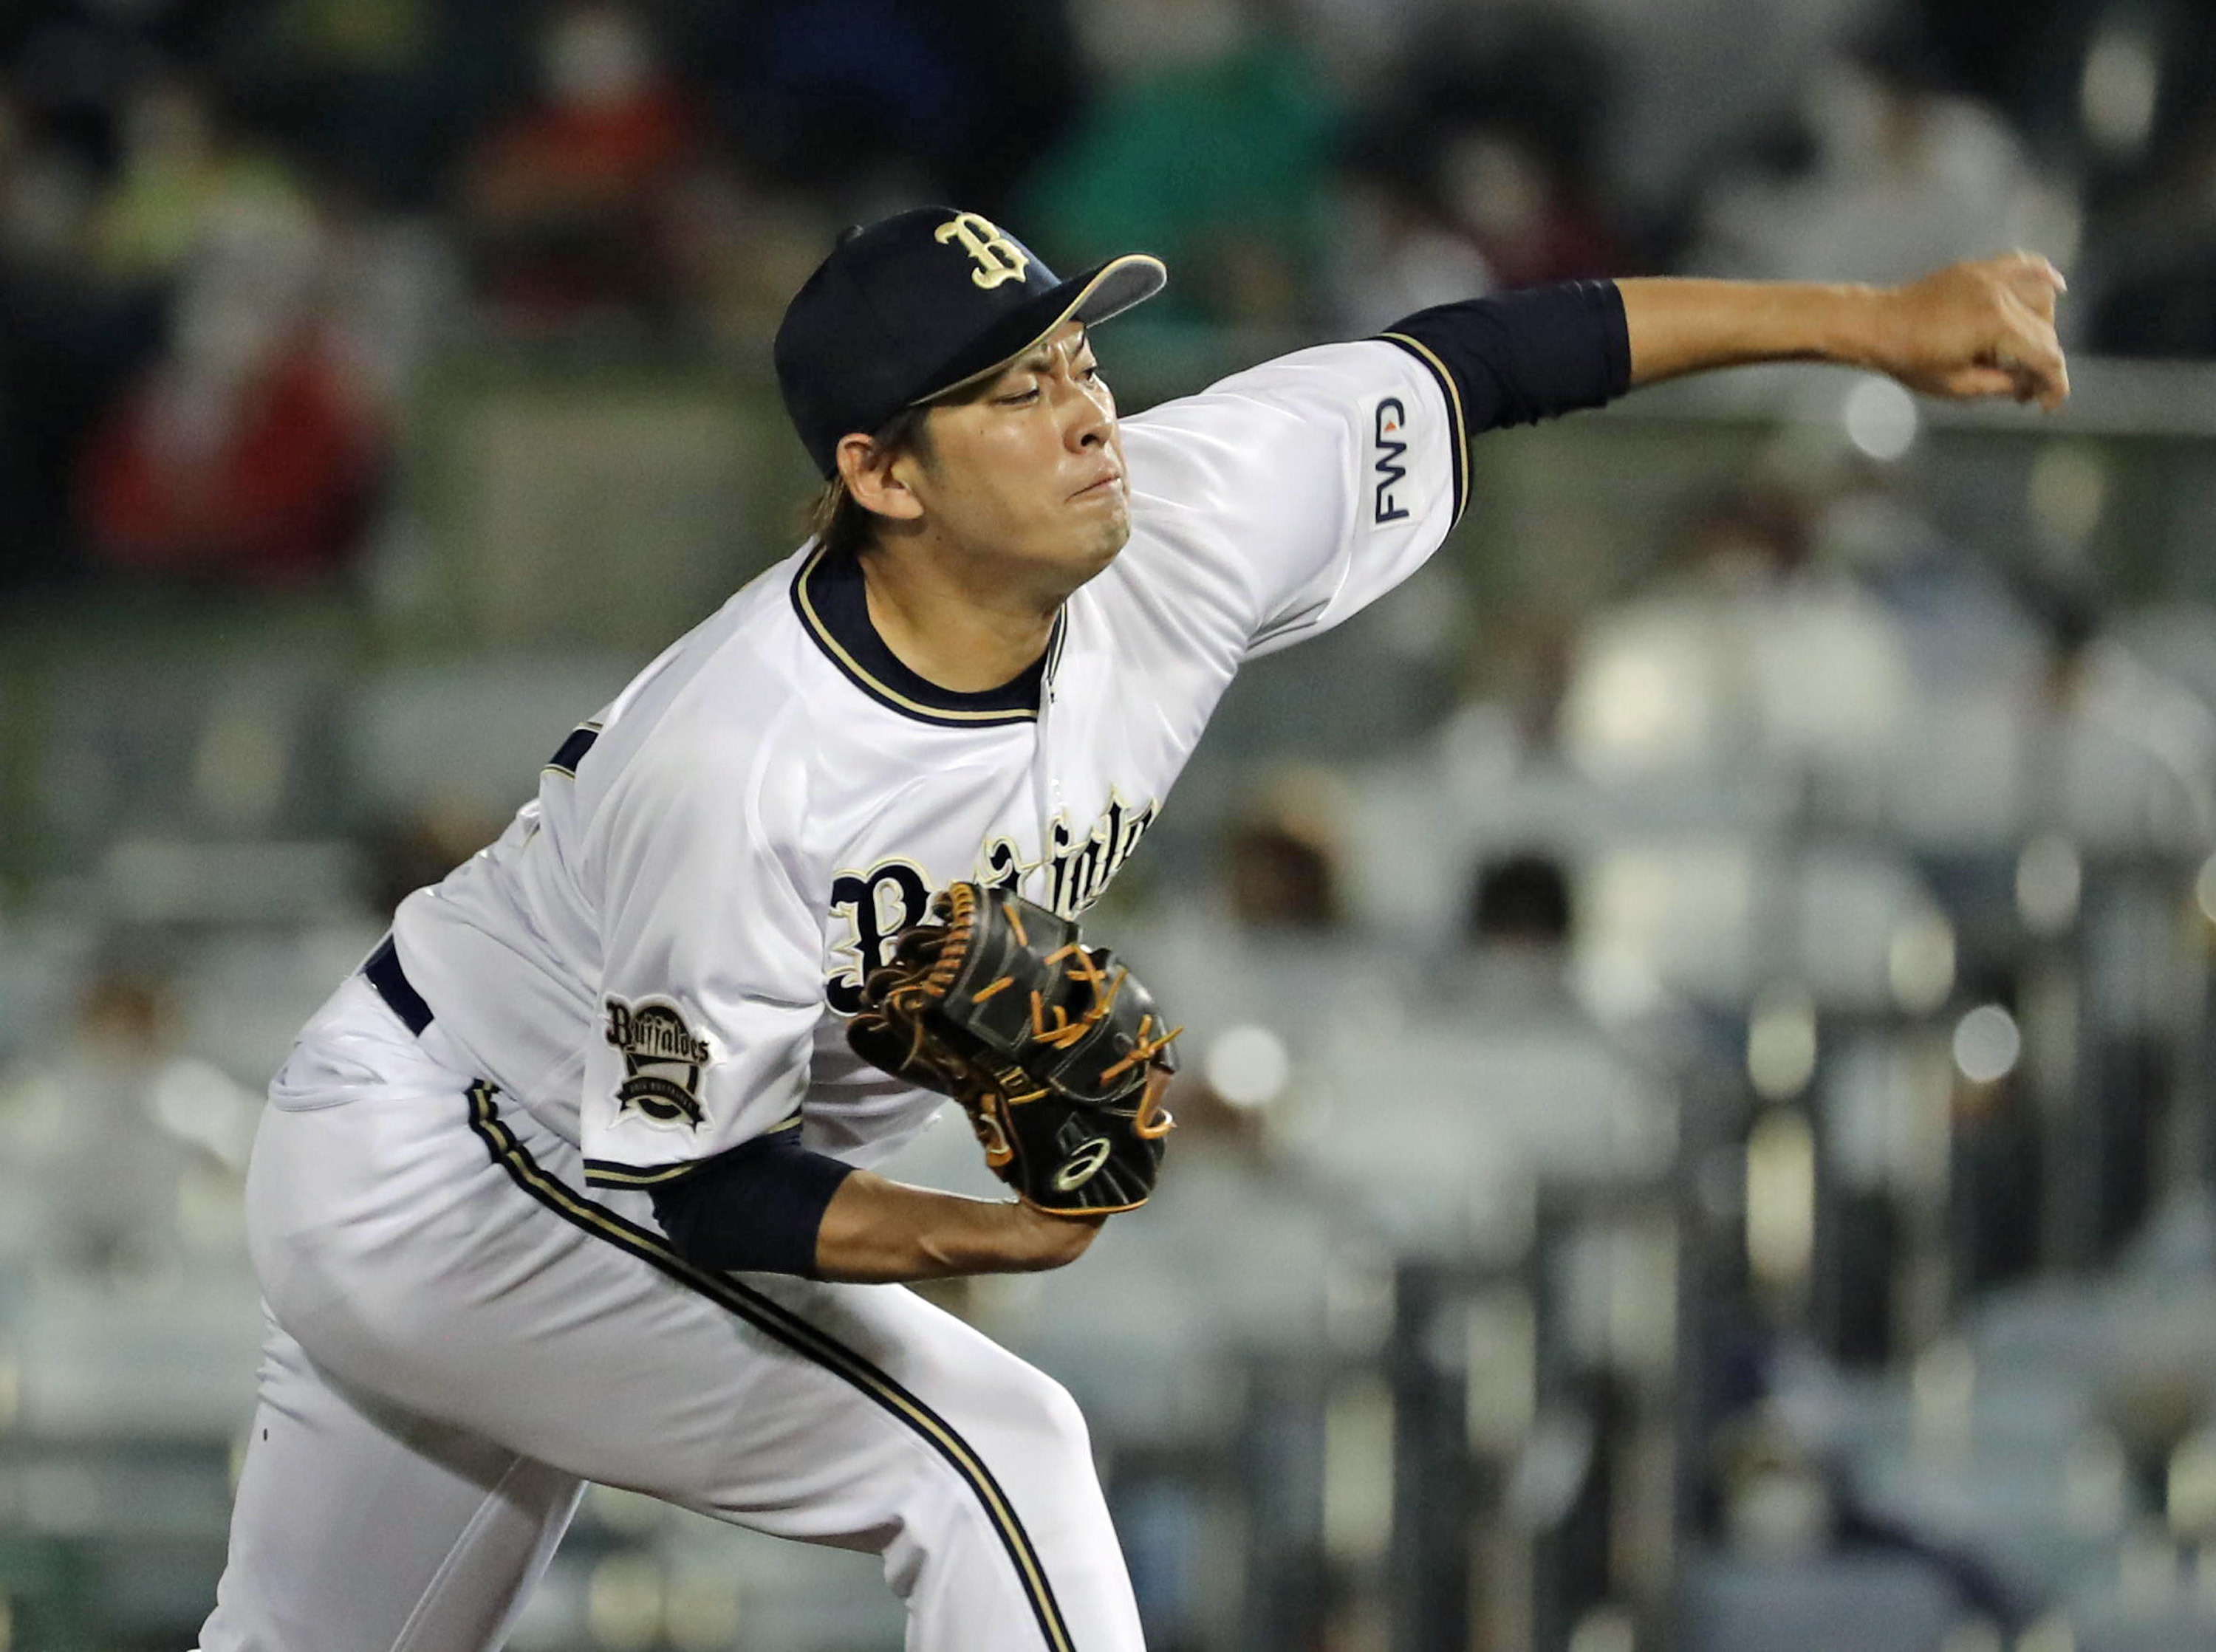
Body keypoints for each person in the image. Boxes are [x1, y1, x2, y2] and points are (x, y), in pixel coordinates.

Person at [194, 205, 2066, 1649]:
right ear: (881, 475)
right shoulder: (748, 763)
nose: (1085, 410)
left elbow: (1491, 357)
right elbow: (693, 1187)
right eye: (1011, 392)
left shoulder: (1178, 515)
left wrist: (1872, 323)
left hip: (488, 1142)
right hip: (471, 1161)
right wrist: (981, 1233)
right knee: (995, 1460)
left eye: (1075, 353)